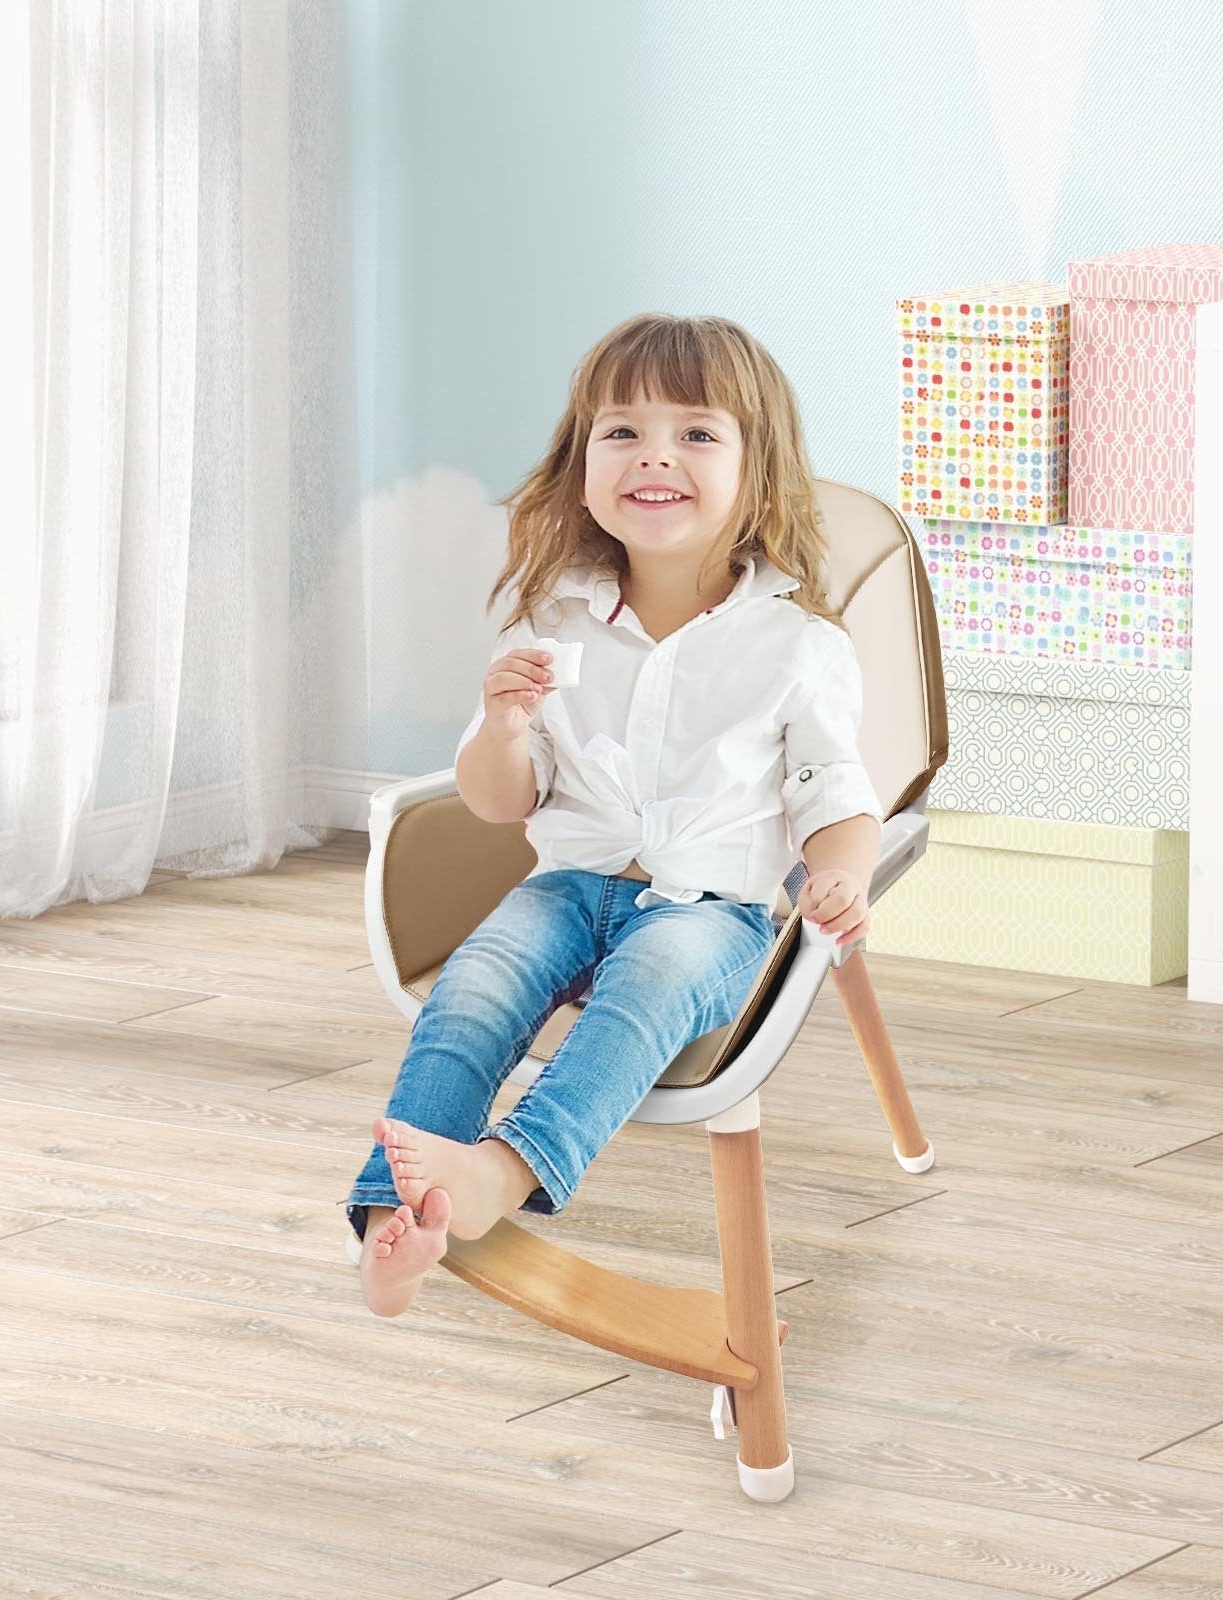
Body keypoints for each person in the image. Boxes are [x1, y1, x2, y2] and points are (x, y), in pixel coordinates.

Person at [346, 312, 884, 1318]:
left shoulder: (795, 646)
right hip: (564, 886)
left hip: (706, 911)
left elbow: (836, 795)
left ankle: (498, 1176)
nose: (655, 457)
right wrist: (505, 728)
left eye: (696, 433)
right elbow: (499, 801)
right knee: (472, 995)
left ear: (756, 469)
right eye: (622, 431)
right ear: (581, 463)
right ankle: (393, 1223)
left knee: (645, 992)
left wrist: (842, 874)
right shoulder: (552, 619)